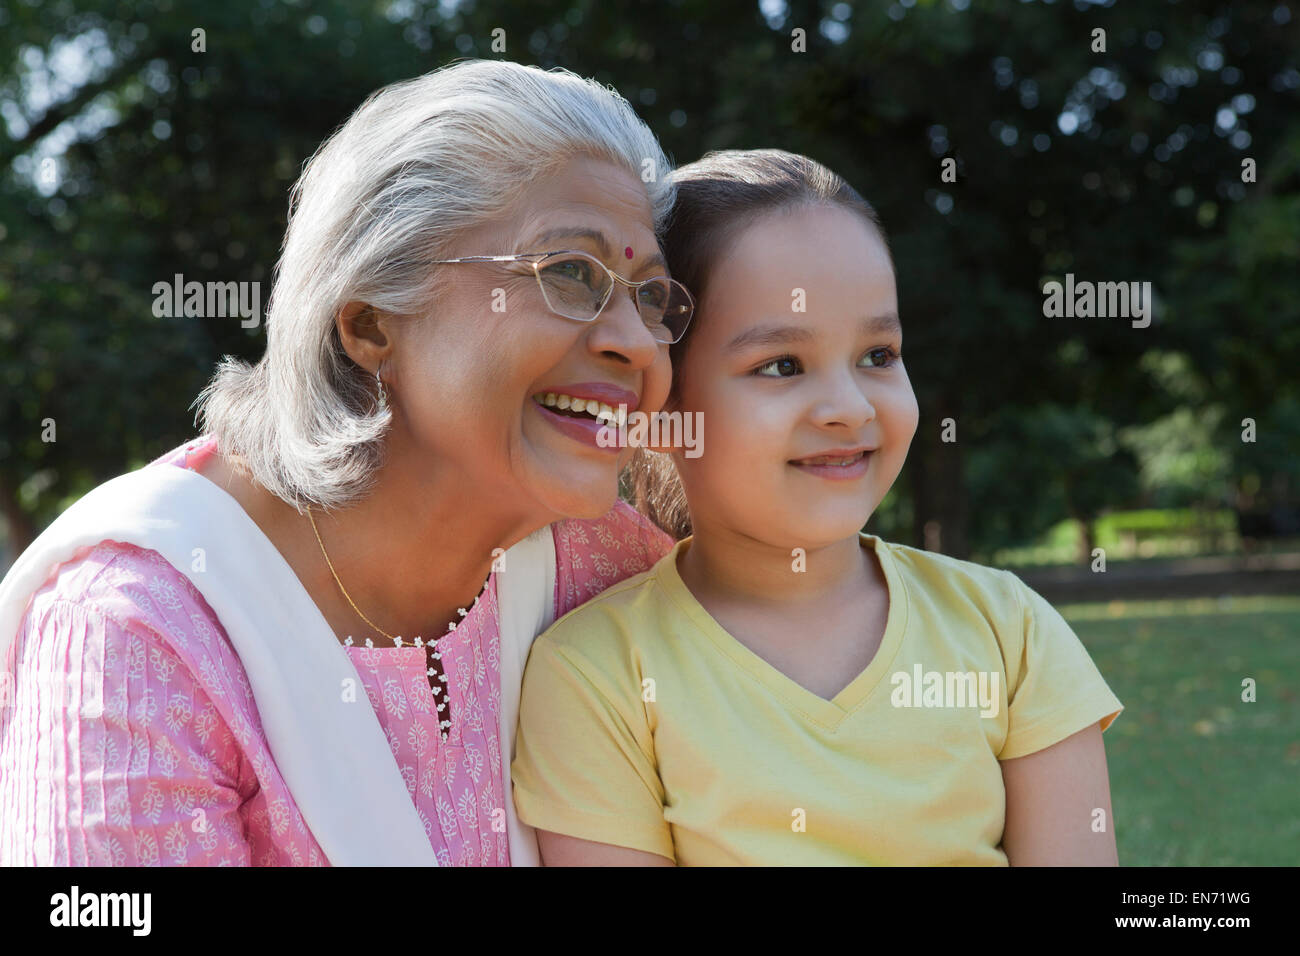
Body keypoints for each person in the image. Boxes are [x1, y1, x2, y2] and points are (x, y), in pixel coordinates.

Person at [0, 58, 692, 866]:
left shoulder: (617, 574)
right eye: (571, 273)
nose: (636, 343)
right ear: (369, 324)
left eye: (651, 295)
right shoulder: (137, 631)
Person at [511, 149, 1123, 866]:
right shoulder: (596, 675)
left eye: (878, 355)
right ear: (662, 402)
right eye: (781, 366)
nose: (849, 407)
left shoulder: (1008, 633)